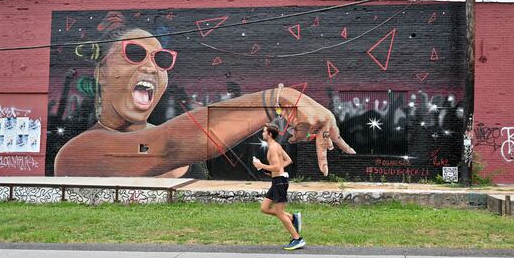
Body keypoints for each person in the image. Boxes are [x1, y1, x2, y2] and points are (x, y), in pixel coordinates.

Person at [54, 24, 356, 177]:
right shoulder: (78, 152)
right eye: (133, 53)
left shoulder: (175, 133)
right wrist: (277, 99)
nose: (150, 67)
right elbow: (167, 146)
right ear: (102, 72)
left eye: (160, 59)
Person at [254, 123, 304, 250]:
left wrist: (261, 165)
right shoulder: (276, 146)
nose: (262, 133)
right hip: (277, 181)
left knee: (280, 213)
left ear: (269, 134)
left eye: (264, 131)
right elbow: (288, 161)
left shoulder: (273, 148)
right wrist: (275, 171)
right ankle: (293, 217)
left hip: (280, 182)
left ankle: (297, 239)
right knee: (264, 208)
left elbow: (277, 166)